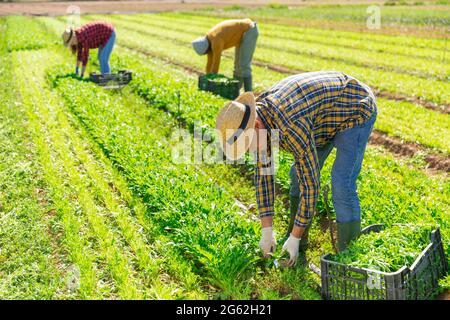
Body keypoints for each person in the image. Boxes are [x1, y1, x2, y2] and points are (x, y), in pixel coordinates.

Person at [216, 71, 377, 266]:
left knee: (341, 183)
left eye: (248, 145)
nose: (251, 151)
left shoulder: (291, 125)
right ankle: (298, 240)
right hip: (321, 119)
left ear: (256, 125)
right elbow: (264, 176)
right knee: (296, 174)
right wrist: (267, 232)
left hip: (354, 109)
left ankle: (349, 257)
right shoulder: (259, 123)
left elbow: (311, 185)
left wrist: (295, 237)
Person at [191, 19, 259, 92]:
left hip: (249, 30)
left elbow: (215, 64)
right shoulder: (209, 40)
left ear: (206, 49)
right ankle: (235, 91)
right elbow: (209, 62)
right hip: (241, 34)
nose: (207, 54)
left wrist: (211, 80)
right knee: (237, 65)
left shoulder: (216, 41)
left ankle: (248, 93)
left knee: (244, 64)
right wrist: (207, 76)